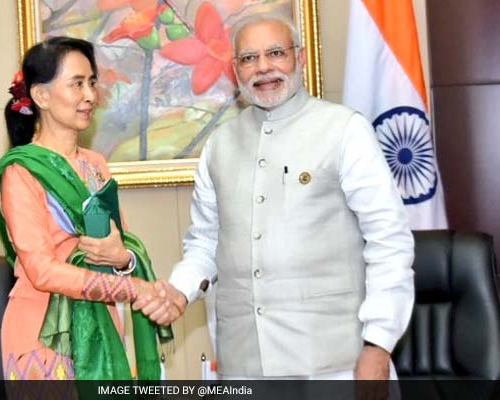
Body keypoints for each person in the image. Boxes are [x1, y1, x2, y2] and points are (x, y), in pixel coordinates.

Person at [134, 13, 415, 380]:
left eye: (276, 53)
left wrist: (379, 344)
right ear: (236, 70)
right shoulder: (219, 146)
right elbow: (205, 244)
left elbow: (388, 241)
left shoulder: (345, 130)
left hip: (337, 367)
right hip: (245, 368)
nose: (263, 68)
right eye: (249, 58)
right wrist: (179, 292)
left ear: (299, 58)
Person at [0, 36, 175, 380]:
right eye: (76, 84)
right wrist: (134, 289)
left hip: (102, 324)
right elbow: (42, 271)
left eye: (91, 82)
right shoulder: (21, 171)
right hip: (42, 333)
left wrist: (125, 260)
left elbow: (121, 247)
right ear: (41, 95)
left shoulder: (96, 165)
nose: (90, 96)